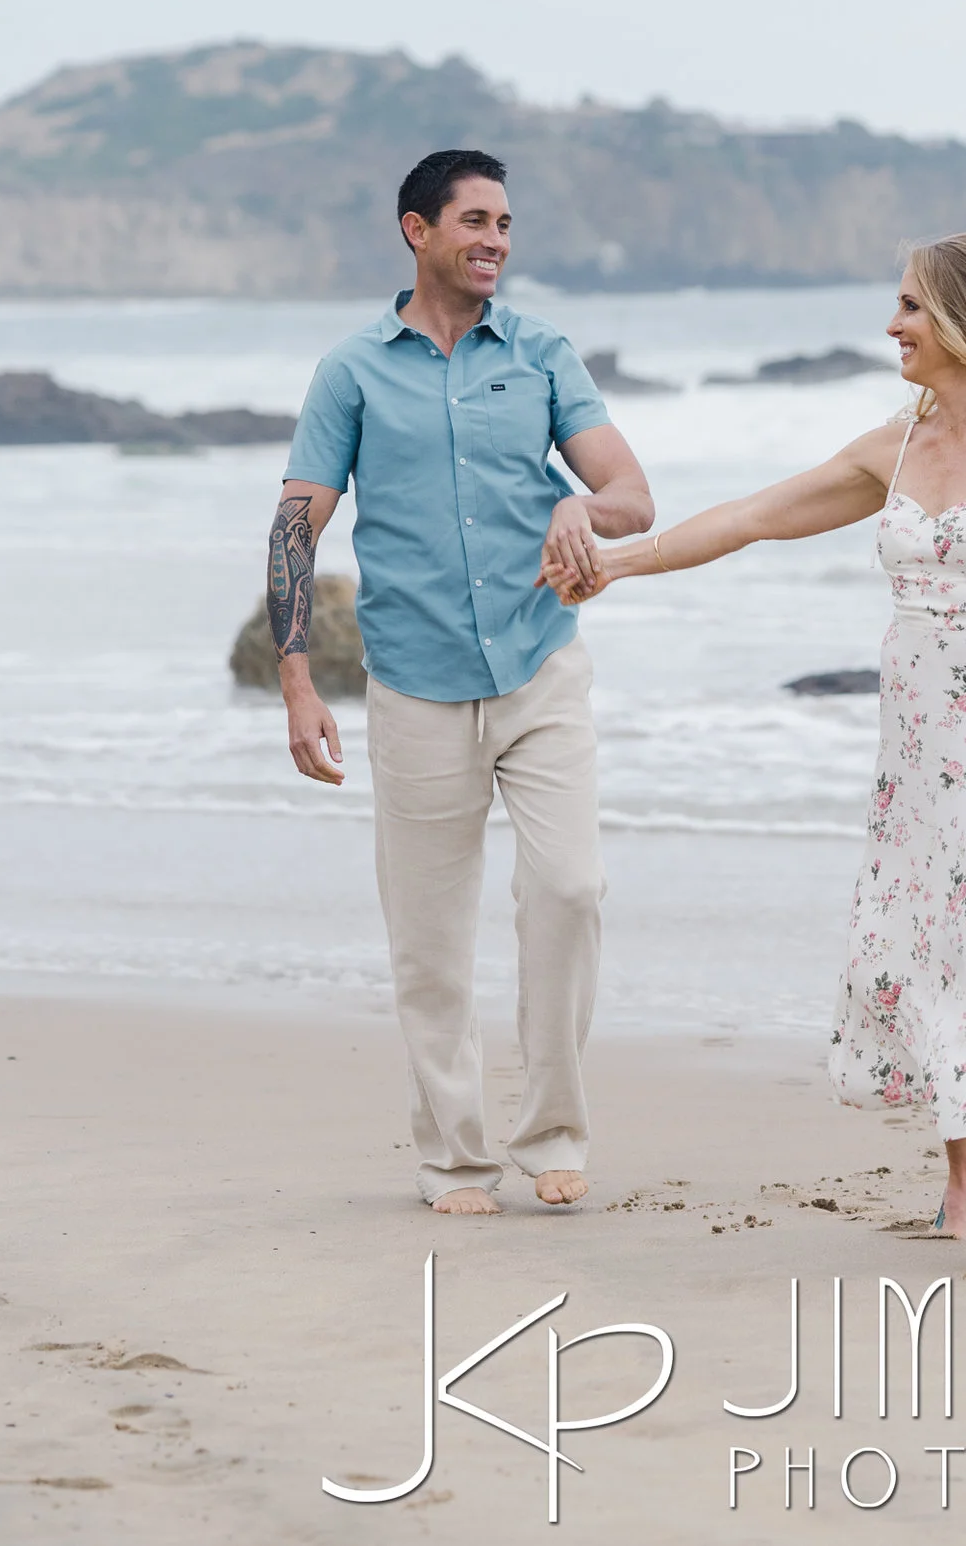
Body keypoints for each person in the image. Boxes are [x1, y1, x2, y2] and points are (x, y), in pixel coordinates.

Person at [548, 231, 966, 1277]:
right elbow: (751, 517)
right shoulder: (898, 445)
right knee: (927, 938)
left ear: (965, 318)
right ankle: (963, 1173)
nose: (893, 326)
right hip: (916, 747)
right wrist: (617, 564)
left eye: (912, 307)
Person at [268, 149, 655, 1215]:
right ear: (418, 230)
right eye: (476, 221)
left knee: (571, 890)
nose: (496, 241)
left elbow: (631, 494)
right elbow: (297, 526)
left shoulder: (540, 354)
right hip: (414, 685)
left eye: (506, 224)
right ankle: (454, 1159)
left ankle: (555, 1131)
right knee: (431, 943)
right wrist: (298, 683)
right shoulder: (352, 371)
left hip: (540, 668)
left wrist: (580, 507)